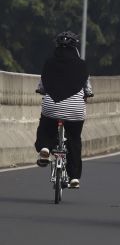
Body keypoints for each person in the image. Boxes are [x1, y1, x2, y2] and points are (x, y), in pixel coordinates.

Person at [34, 31, 93, 189]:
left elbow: (42, 86)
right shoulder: (82, 65)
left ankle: (45, 147)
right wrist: (86, 95)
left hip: (52, 104)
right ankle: (74, 177)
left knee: (47, 126)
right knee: (74, 139)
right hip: (75, 109)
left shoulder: (49, 63)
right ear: (75, 47)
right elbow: (88, 89)